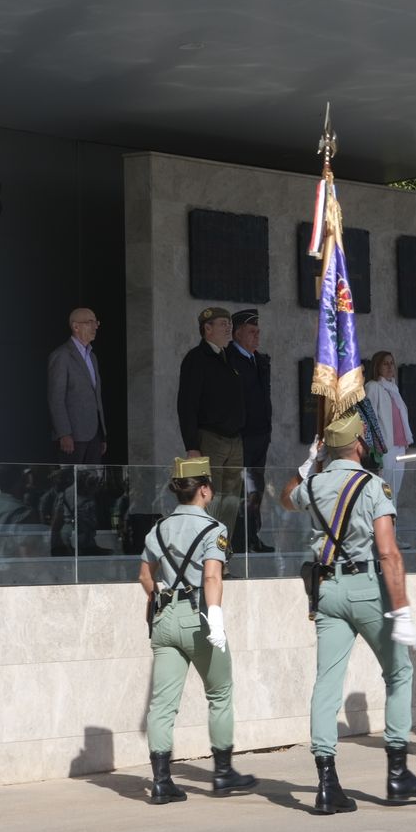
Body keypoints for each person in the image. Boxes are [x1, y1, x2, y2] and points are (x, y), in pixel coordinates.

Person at [280, 413, 416, 814]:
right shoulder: (371, 485)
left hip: (327, 590)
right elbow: (387, 551)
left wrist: (307, 464)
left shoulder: (313, 483)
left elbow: (286, 497)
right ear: (358, 445)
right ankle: (398, 774)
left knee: (327, 682)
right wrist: (401, 609)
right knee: (400, 672)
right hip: (368, 588)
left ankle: (326, 782)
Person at [138, 456, 257, 804]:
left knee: (162, 705)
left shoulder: (158, 528)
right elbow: (211, 576)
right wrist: (215, 618)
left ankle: (161, 781)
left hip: (165, 618)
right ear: (204, 489)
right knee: (219, 694)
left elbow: (145, 574)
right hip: (198, 617)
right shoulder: (213, 530)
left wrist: (158, 595)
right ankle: (222, 774)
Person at [178, 307, 246, 534]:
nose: (229, 328)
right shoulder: (196, 359)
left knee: (231, 501)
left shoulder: (230, 357)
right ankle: (206, 553)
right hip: (211, 438)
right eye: (222, 324)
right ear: (207, 329)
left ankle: (222, 556)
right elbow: (187, 405)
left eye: (229, 324)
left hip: (234, 439)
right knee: (209, 498)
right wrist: (192, 446)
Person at [227, 309, 273, 554]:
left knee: (257, 488)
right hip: (241, 436)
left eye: (258, 332)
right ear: (237, 334)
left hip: (260, 434)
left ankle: (253, 534)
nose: (257, 336)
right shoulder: (230, 359)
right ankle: (239, 538)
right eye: (252, 332)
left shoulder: (259, 360)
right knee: (241, 489)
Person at [47, 307, 106, 464]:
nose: (95, 326)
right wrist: (64, 433)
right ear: (75, 326)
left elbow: (95, 397)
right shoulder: (61, 356)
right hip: (73, 437)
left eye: (96, 322)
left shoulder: (92, 357)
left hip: (94, 435)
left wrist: (102, 433)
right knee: (72, 485)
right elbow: (56, 398)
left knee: (93, 483)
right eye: (90, 322)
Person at [365, 350, 416, 499]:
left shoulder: (394, 389)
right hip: (384, 447)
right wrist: (374, 447)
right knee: (383, 489)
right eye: (385, 364)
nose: (389, 367)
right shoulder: (373, 387)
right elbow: (369, 418)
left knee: (395, 490)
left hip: (399, 447)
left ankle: (392, 522)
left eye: (392, 363)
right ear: (377, 367)